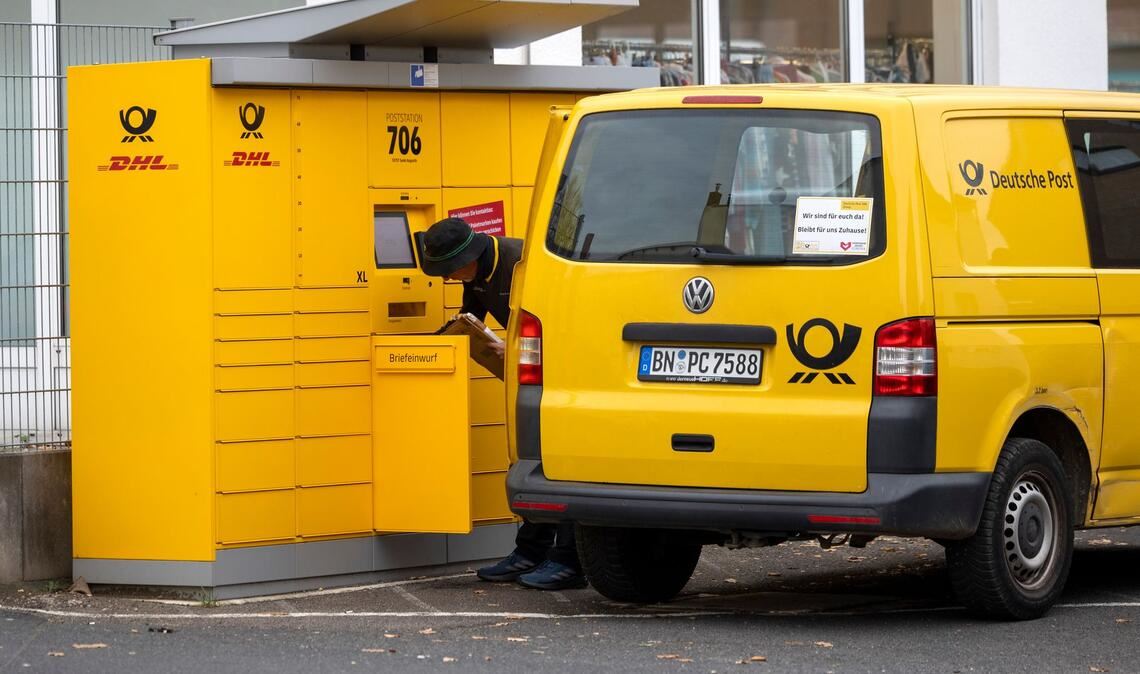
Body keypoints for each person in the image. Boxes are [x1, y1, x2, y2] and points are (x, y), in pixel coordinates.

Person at [419, 217, 586, 591]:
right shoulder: (474, 275)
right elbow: (472, 319)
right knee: (531, 463)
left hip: (566, 375)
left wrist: (508, 347)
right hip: (531, 375)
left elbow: (562, 322)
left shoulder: (524, 263)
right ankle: (530, 553)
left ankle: (569, 561)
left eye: (449, 270)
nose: (447, 278)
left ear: (472, 256)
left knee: (563, 463)